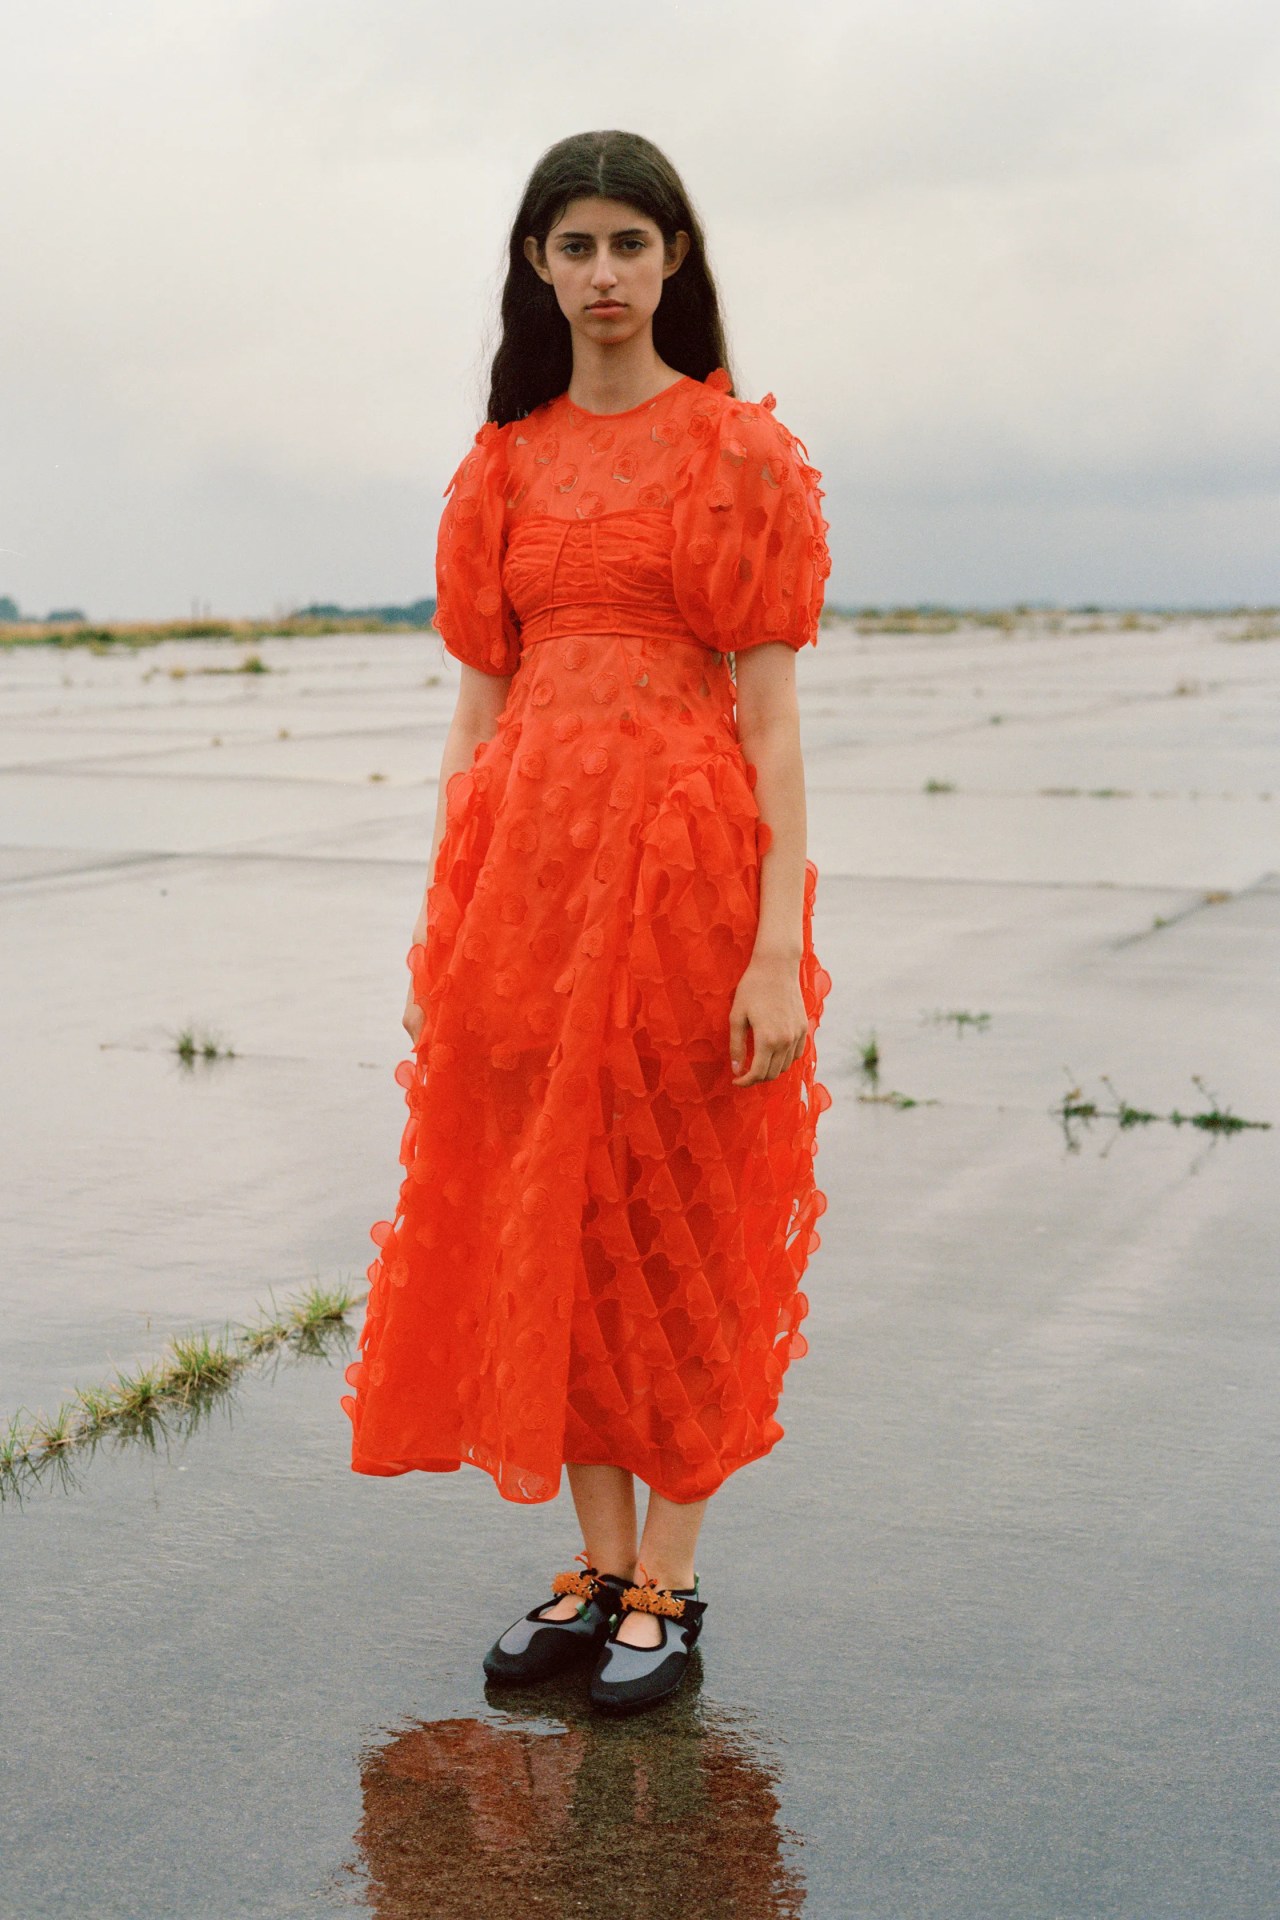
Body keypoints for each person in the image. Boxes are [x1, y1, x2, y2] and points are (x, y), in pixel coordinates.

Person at [342, 128, 833, 1715]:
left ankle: (673, 1584)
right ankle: (600, 1566)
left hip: (685, 890)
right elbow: (474, 724)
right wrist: (446, 930)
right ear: (538, 270)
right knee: (552, 1211)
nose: (606, 273)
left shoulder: (738, 455)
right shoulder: (502, 464)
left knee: (675, 1210)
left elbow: (771, 729)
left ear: (675, 260)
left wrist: (772, 950)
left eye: (633, 243)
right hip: (530, 894)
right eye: (578, 246)